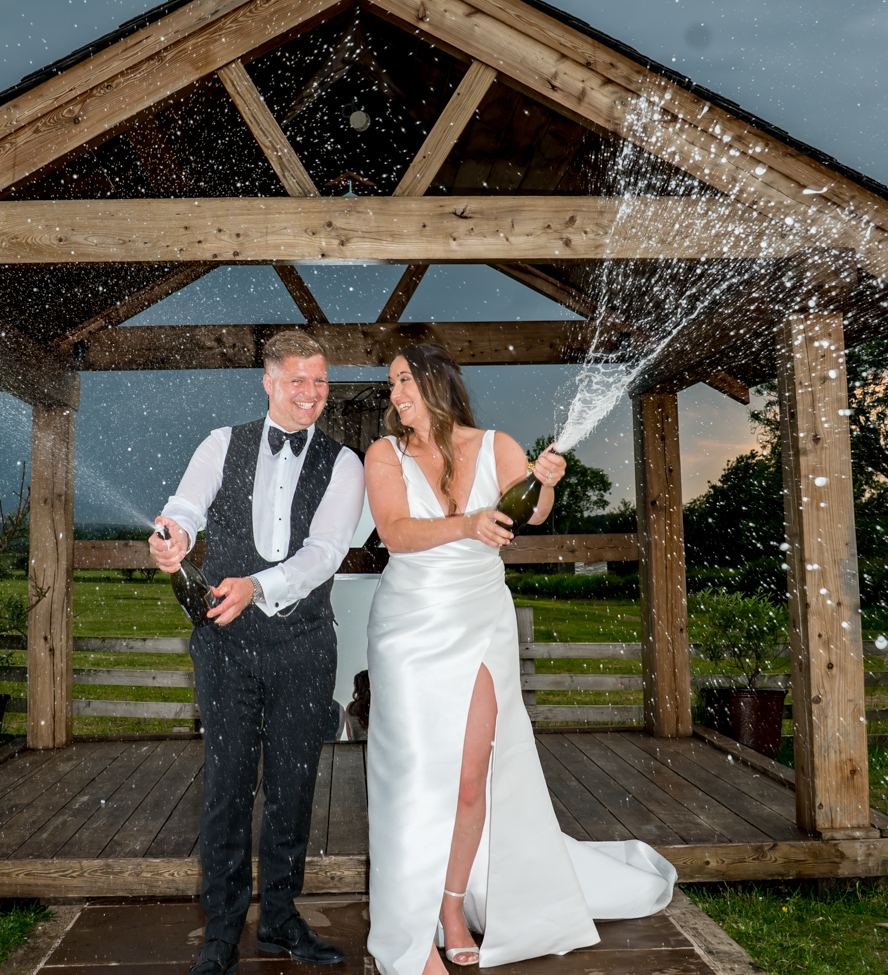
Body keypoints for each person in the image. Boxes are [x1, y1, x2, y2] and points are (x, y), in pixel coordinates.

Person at [363, 343, 676, 975]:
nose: (396, 394)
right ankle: (408, 930)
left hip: (479, 619)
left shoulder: (498, 444)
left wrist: (546, 485)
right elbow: (395, 532)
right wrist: (467, 523)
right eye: (392, 383)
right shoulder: (384, 453)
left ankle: (453, 907)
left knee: (472, 773)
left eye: (406, 381)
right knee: (412, 779)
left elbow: (530, 508)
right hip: (408, 628)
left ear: (438, 384)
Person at [151, 330, 367, 975]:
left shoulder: (345, 462)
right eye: (297, 381)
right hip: (225, 646)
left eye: (320, 381)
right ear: (268, 382)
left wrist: (257, 587)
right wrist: (174, 538)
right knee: (227, 785)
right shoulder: (222, 442)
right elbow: (184, 506)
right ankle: (220, 932)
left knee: (293, 786)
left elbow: (326, 553)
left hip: (304, 645)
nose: (311, 394)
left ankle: (279, 919)